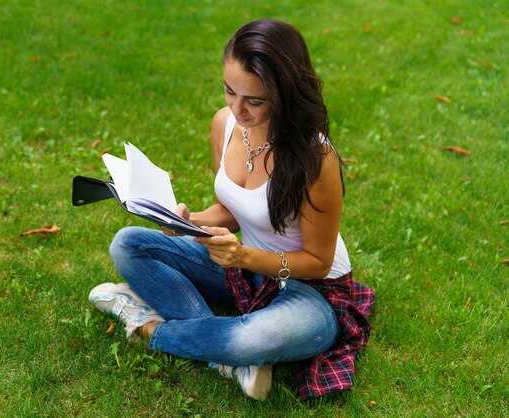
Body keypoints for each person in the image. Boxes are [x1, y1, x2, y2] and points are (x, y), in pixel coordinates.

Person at [89, 19, 375, 401]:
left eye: (254, 101)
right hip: (244, 270)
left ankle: (143, 323)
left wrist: (244, 255)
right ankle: (230, 357)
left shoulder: (314, 159)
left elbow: (318, 261)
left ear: (285, 94)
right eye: (229, 91)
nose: (237, 109)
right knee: (128, 244)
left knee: (254, 336)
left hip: (312, 290)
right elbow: (232, 209)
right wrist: (189, 222)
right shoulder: (224, 124)